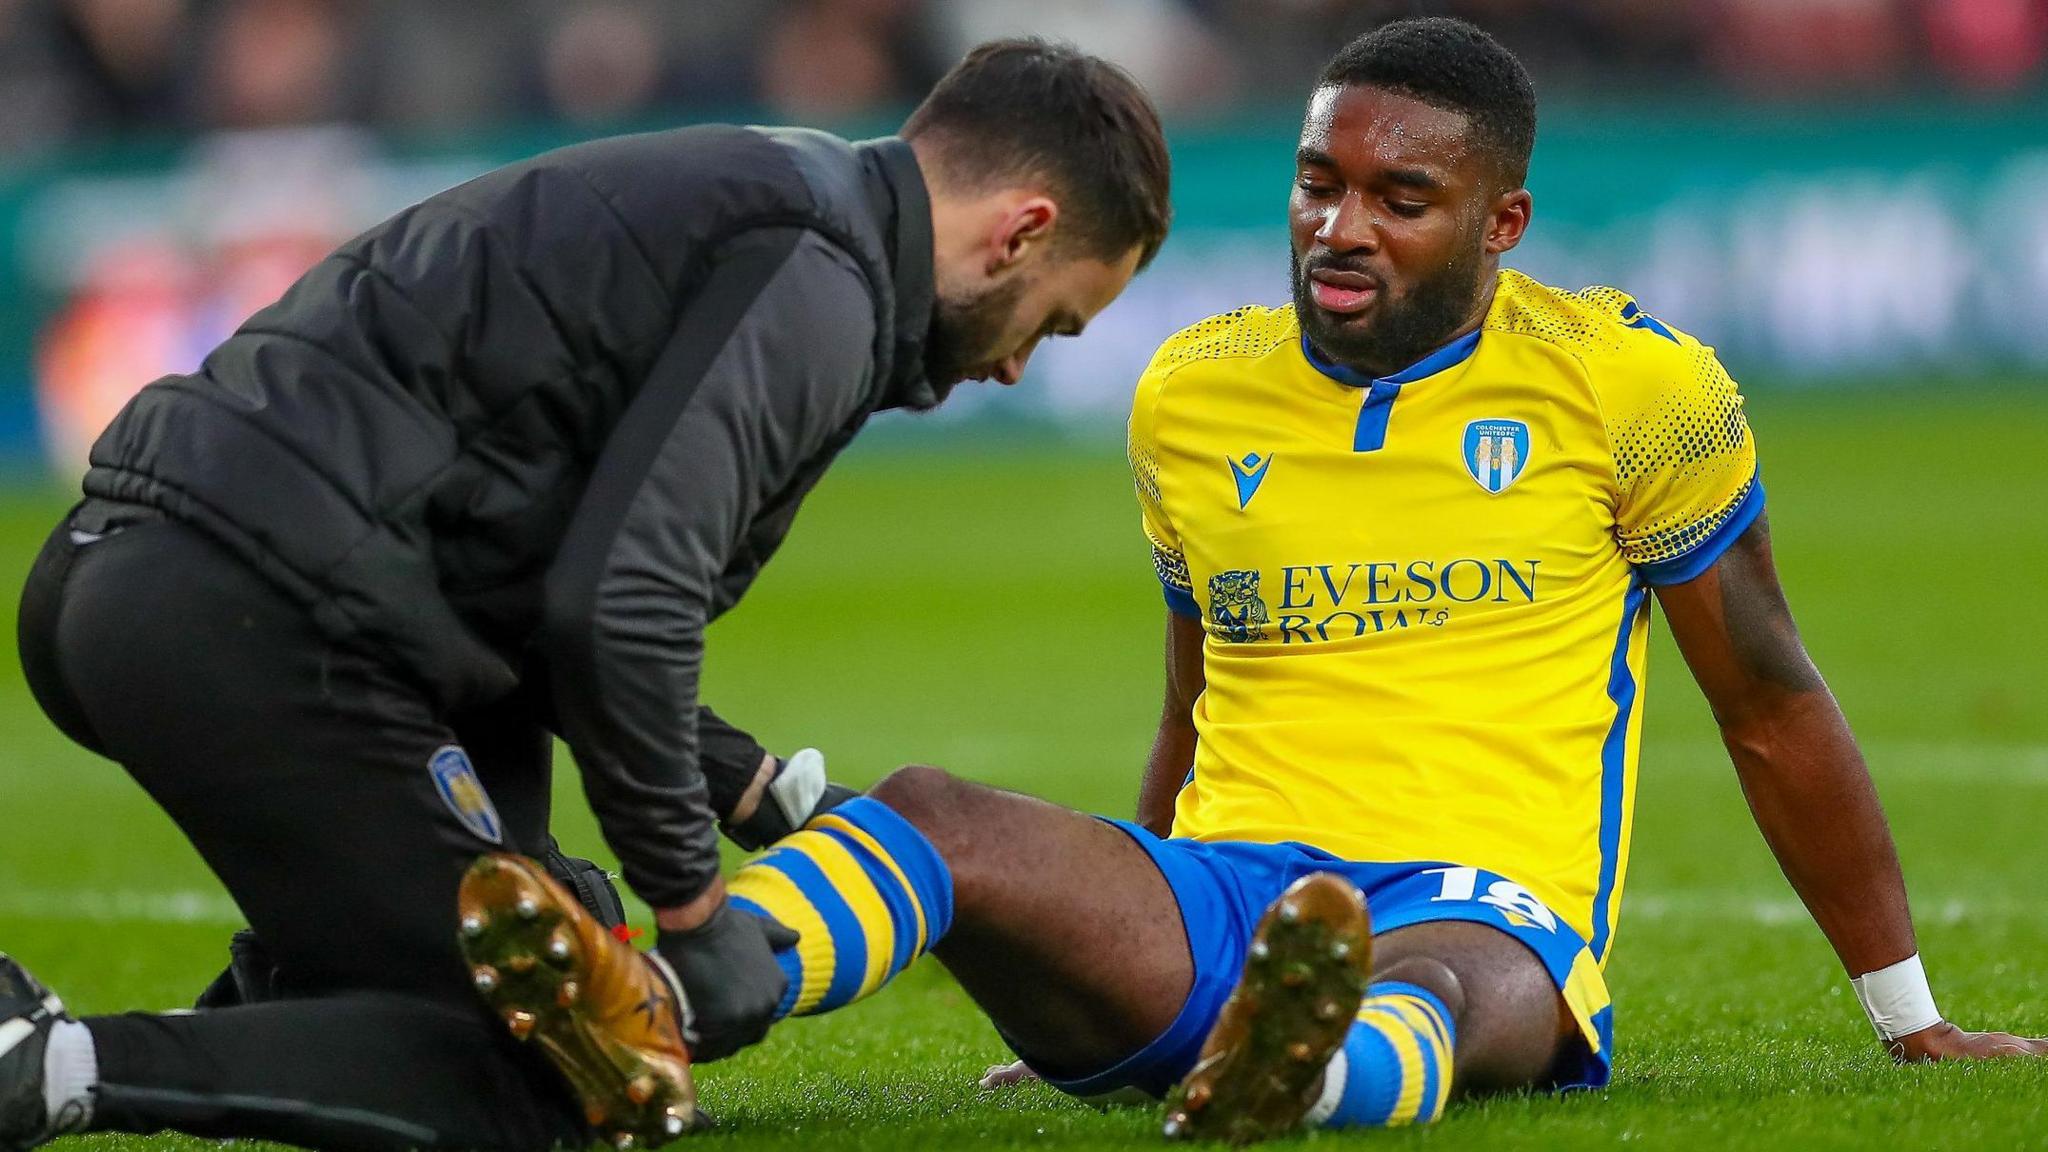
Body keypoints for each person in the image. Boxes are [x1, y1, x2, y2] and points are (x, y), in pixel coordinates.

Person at [455, 14, 2044, 1147]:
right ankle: (650, 1000)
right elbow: (1195, 697)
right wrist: (1102, 925)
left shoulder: (1636, 387)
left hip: (1487, 910)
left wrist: (1907, 1013)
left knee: (1447, 977)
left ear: (1503, 223)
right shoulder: (1194, 392)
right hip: (1220, 899)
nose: (1335, 227)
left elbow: (1766, 699)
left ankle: (1300, 1071)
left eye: (1397, 200)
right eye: (1315, 182)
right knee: (931, 811)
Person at [0, 38, 1170, 1152]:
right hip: (255, 611)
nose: (1018, 364)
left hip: (196, 577)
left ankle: (280, 1004)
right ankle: (38, 1065)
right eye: (1055, 320)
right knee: (555, 1065)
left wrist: (747, 787)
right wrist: (692, 912)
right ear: (1023, 233)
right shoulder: (822, 280)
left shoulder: (791, 203)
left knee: (543, 968)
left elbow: (537, 573)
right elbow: (620, 602)